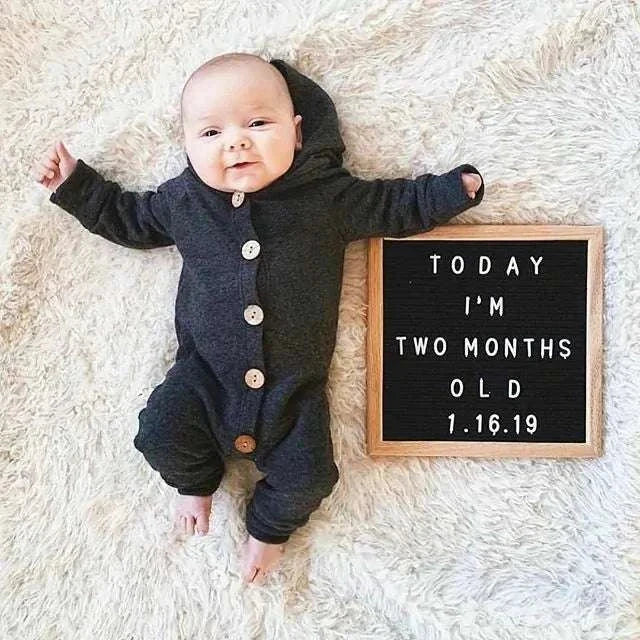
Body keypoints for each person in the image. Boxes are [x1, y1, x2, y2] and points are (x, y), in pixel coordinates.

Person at [33, 53, 484, 585]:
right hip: (204, 379)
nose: (236, 142)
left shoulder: (327, 197)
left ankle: (267, 532)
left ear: (296, 134)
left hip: (294, 393)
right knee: (159, 432)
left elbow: (394, 205)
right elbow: (129, 218)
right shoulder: (186, 201)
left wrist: (452, 191)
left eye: (257, 123)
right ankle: (196, 481)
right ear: (187, 146)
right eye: (211, 132)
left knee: (310, 476)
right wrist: (77, 186)